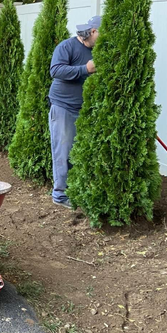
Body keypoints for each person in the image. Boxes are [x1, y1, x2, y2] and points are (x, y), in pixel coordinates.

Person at [48, 14, 101, 207]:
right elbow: (55, 71)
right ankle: (60, 195)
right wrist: (85, 69)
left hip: (86, 109)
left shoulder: (98, 51)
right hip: (63, 106)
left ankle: (77, 190)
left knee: (81, 152)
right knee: (63, 151)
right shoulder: (67, 46)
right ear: (92, 31)